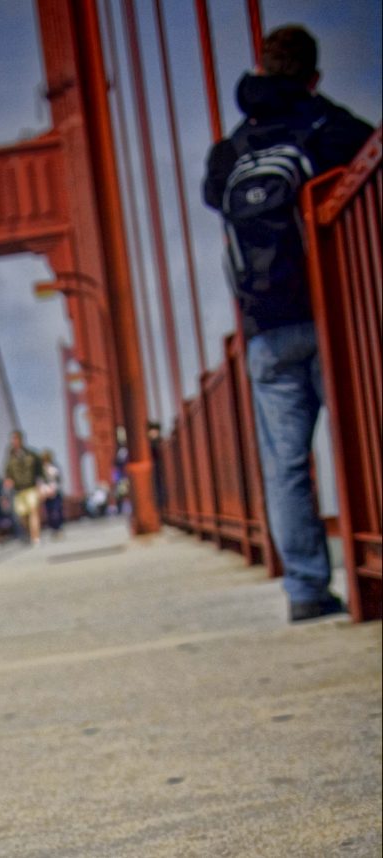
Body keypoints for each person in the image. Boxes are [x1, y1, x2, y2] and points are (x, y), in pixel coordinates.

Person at [202, 25, 374, 623]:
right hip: (333, 315)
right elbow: (368, 146)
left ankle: (305, 589)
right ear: (313, 75)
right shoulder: (326, 126)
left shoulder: (231, 149)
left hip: (264, 331)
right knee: (368, 440)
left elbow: (211, 194)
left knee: (286, 465)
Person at [3, 429, 42, 545]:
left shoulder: (32, 454)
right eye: (13, 439)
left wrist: (41, 485)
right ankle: (29, 533)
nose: (15, 441)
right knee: (22, 515)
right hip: (18, 490)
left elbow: (39, 471)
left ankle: (36, 537)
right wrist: (8, 480)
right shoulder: (10, 457)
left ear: (21, 440)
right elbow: (7, 473)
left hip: (31, 487)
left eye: (17, 439)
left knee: (34, 511)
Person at [37, 449, 64, 538]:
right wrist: (42, 492)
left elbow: (58, 481)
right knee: (49, 513)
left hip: (55, 493)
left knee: (57, 511)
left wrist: (54, 490)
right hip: (46, 494)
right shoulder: (40, 470)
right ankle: (54, 529)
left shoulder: (54, 468)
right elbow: (40, 482)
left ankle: (58, 528)